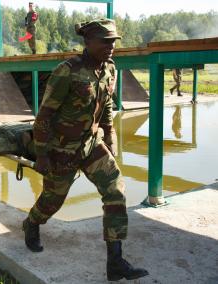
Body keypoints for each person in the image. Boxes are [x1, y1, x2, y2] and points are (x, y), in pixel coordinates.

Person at [22, 19, 149, 281]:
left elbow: (107, 109)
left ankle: (115, 262)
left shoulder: (110, 69)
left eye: (114, 41)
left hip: (92, 144)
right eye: (105, 41)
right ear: (88, 42)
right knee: (52, 202)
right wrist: (43, 153)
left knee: (115, 190)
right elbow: (44, 115)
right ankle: (32, 223)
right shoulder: (66, 71)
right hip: (61, 149)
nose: (111, 46)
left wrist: (110, 140)